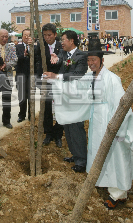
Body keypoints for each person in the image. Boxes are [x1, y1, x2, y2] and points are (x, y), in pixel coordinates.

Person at [51, 39, 133, 209]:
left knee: (115, 155)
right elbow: (76, 89)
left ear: (102, 60)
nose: (90, 63)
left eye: (93, 60)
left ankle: (119, 193)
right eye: (88, 60)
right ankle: (106, 182)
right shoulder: (91, 77)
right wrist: (57, 80)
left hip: (111, 124)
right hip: (97, 122)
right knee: (100, 153)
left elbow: (121, 106)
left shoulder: (112, 79)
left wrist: (120, 129)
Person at [47, 30, 88, 172]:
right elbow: (58, 60)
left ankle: (82, 161)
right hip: (65, 97)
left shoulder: (82, 55)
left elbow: (77, 74)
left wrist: (57, 76)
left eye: (63, 40)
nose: (61, 42)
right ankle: (75, 155)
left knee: (76, 128)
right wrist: (55, 58)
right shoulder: (63, 54)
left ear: (71, 41)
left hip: (76, 98)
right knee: (68, 127)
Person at [35, 23, 63, 147]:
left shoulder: (61, 46)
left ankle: (58, 134)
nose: (47, 37)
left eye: (49, 35)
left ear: (55, 34)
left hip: (58, 81)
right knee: (46, 107)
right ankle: (48, 133)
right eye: (45, 35)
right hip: (45, 82)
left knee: (59, 107)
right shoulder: (40, 46)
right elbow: (36, 61)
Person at [15, 29, 33, 122]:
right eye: (25, 35)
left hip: (31, 76)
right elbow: (16, 58)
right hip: (20, 75)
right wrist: (24, 55)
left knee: (30, 96)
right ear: (22, 37)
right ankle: (21, 115)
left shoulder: (35, 47)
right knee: (22, 97)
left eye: (29, 35)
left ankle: (31, 115)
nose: (26, 37)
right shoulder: (17, 47)